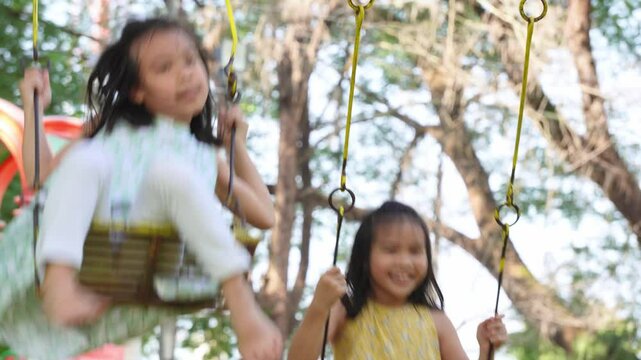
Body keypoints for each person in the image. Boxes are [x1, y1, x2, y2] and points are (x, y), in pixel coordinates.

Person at [0, 17, 281, 360]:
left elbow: (264, 215)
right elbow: (42, 179)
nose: (185, 74)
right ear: (137, 90)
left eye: (190, 61)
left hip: (155, 250)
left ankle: (242, 305)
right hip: (99, 235)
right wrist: (34, 107)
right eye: (164, 68)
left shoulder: (203, 156)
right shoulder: (107, 131)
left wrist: (237, 146)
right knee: (87, 161)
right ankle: (59, 279)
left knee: (171, 174)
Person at [288, 201, 508, 360]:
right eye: (391, 250)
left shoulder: (437, 321)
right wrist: (319, 308)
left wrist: (486, 351)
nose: (404, 261)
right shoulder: (345, 309)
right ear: (364, 257)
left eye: (415, 251)